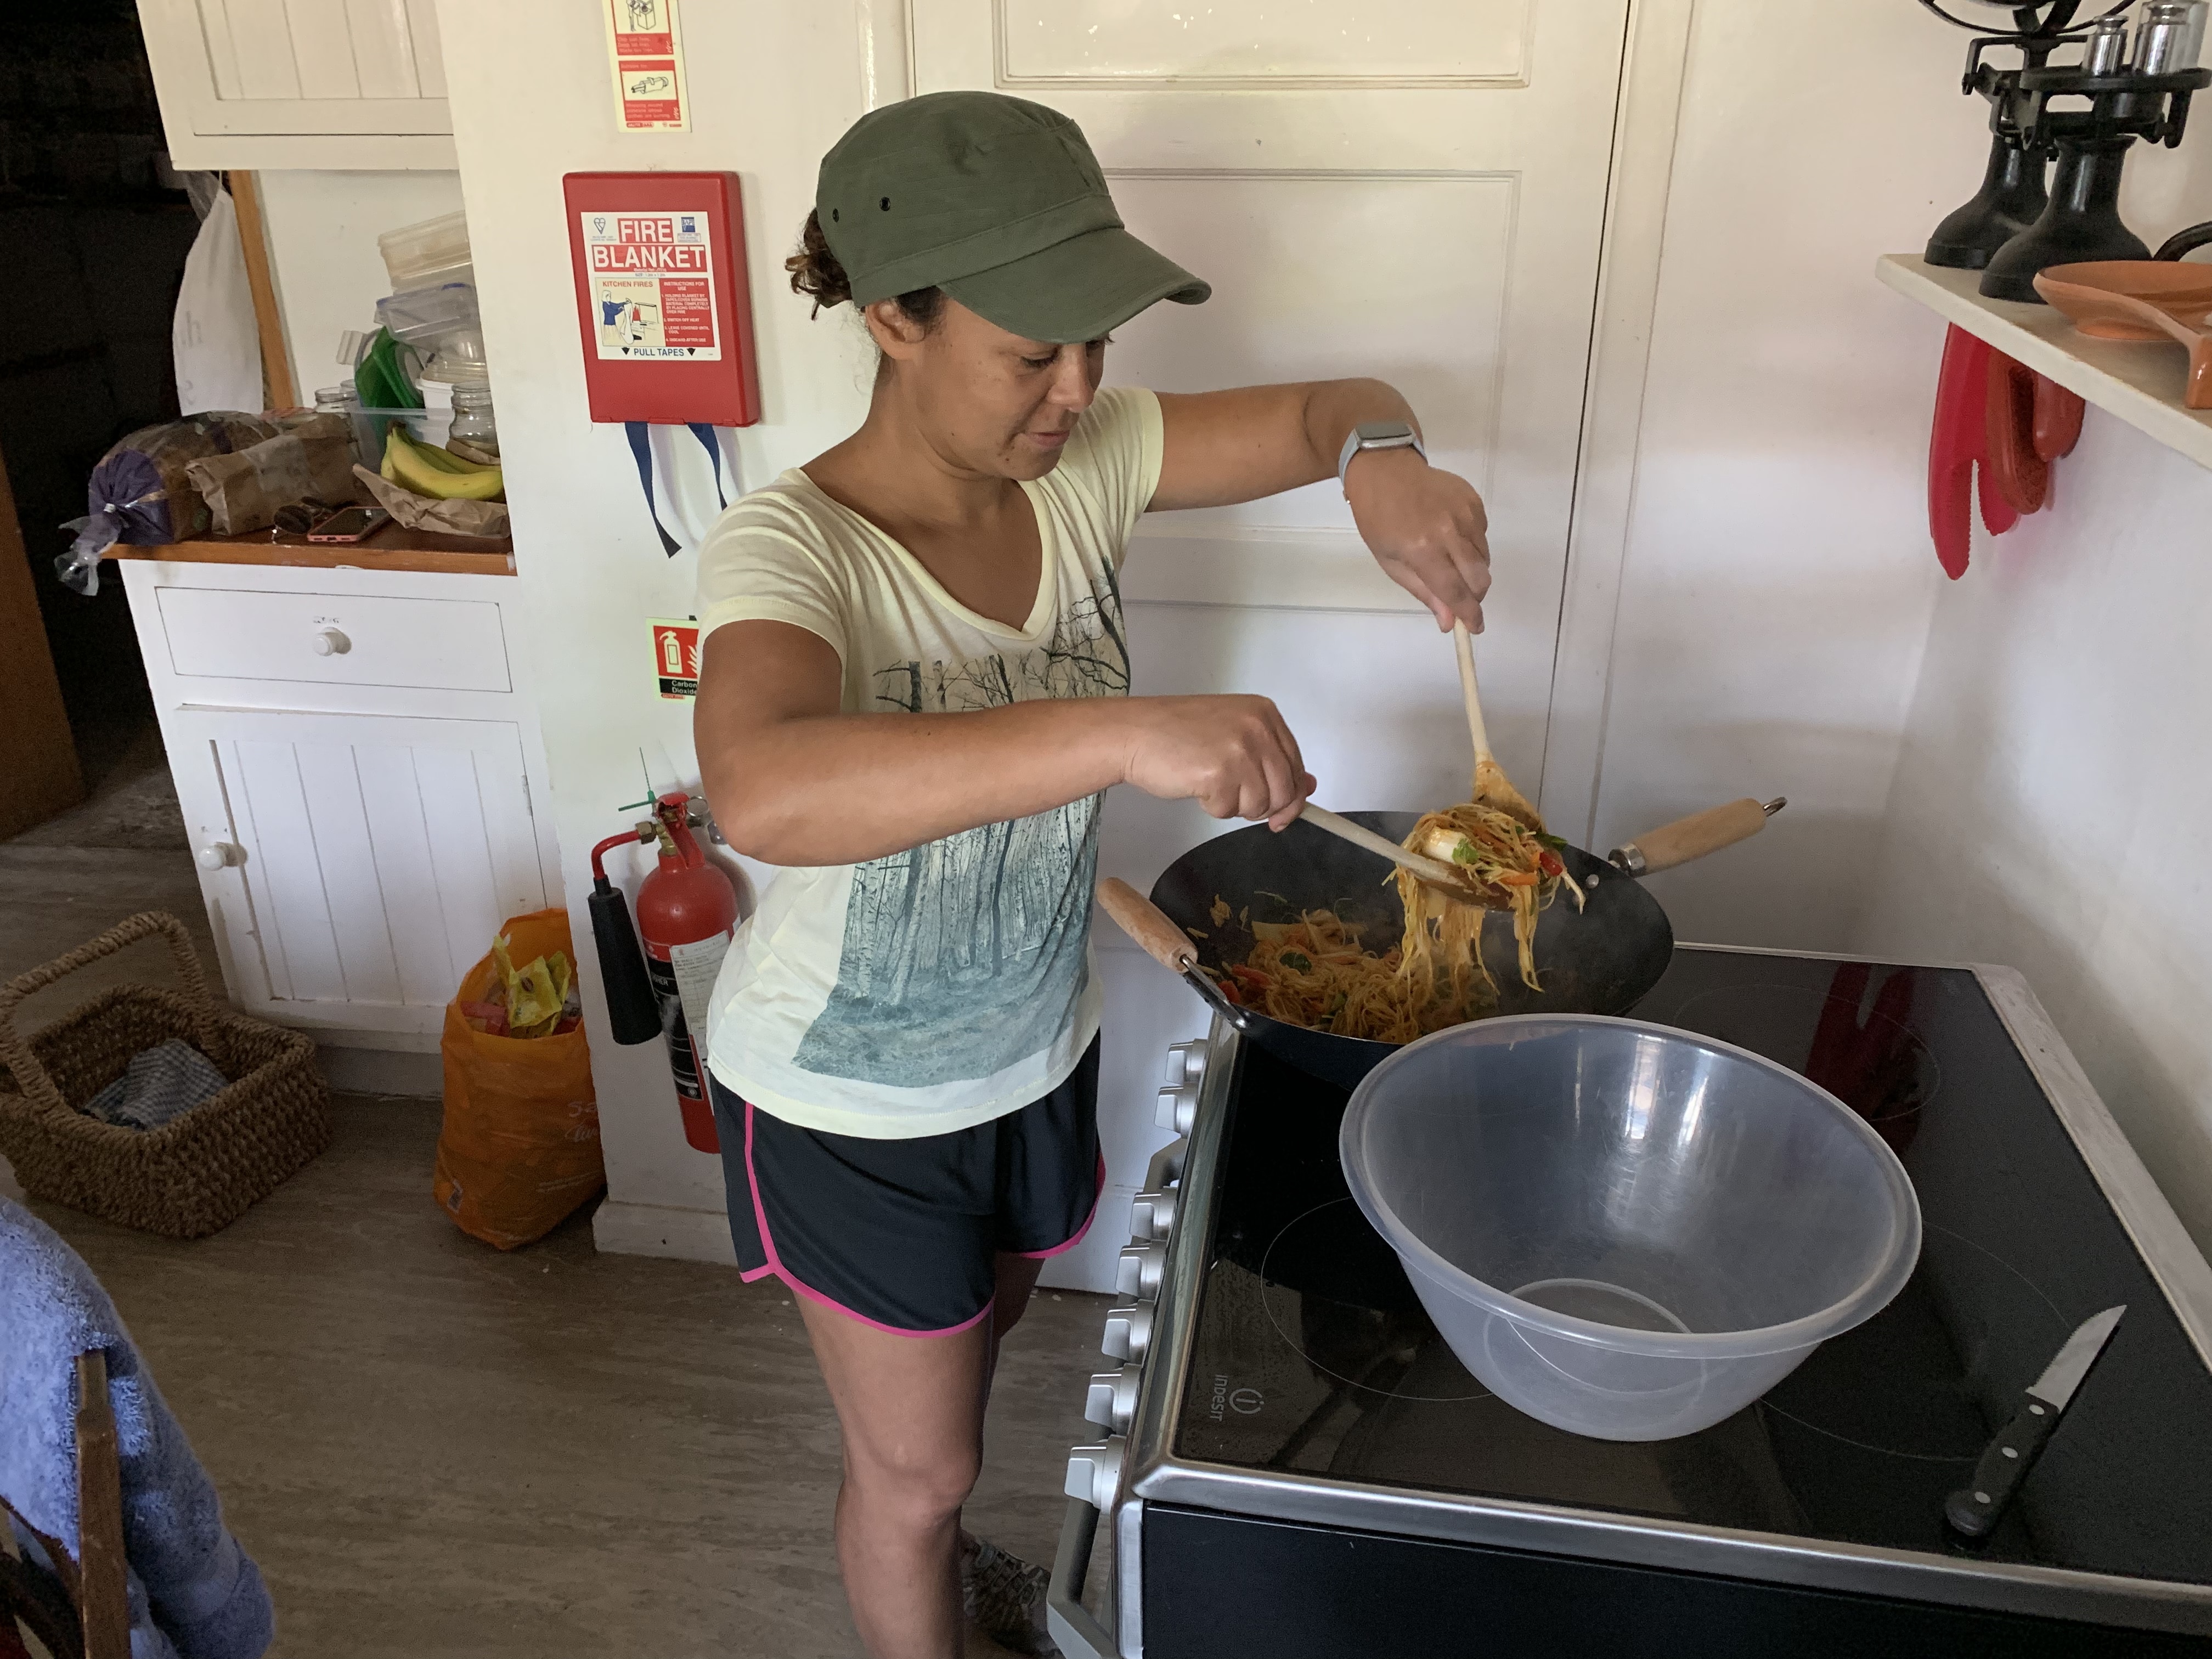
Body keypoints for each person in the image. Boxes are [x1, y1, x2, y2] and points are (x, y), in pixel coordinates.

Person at [691, 91, 1491, 1658]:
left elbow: (1342, 402)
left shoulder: (1086, 464)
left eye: (1095, 346)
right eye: (1030, 352)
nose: (1077, 392)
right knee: (918, 1472)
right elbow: (762, 790)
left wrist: (1381, 457)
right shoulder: (793, 550)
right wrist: (1124, 731)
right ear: (893, 318)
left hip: (1032, 1053)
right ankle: (916, 1575)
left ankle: (933, 1557)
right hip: (854, 1107)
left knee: (959, 1402)